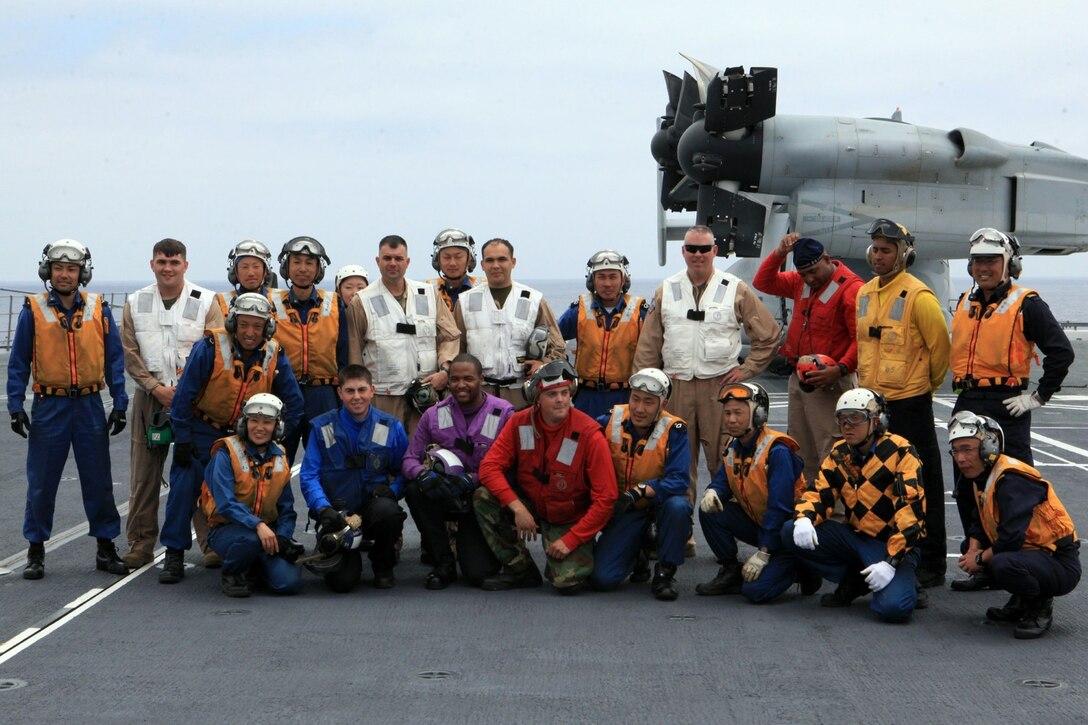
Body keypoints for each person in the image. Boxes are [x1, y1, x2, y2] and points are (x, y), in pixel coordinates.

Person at [633, 224, 781, 553]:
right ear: (683, 251)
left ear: (716, 250)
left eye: (704, 249)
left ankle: (730, 537)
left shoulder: (735, 289)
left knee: (725, 464)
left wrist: (747, 369)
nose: (698, 255)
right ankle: (680, 536)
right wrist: (648, 389)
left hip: (720, 389)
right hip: (677, 386)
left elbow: (768, 335)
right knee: (676, 465)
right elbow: (649, 344)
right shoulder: (666, 289)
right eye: (692, 249)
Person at [948, 228, 1075, 591]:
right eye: (977, 261)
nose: (983, 268)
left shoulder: (1027, 304)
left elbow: (1061, 352)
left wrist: (1037, 397)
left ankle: (1024, 561)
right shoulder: (964, 301)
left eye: (991, 260)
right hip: (968, 401)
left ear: (1008, 264)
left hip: (1007, 405)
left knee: (1015, 489)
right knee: (967, 486)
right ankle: (983, 564)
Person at [159, 292, 304, 584]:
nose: (250, 332)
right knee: (184, 486)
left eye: (257, 326)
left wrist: (280, 440)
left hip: (247, 436)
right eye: (244, 324)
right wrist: (184, 439)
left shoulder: (275, 354)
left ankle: (245, 545)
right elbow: (183, 398)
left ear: (267, 328)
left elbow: (295, 402)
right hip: (204, 429)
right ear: (233, 322)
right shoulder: (210, 347)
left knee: (249, 490)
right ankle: (174, 554)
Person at [7, 239, 129, 580]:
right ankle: (36, 551)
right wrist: (15, 406)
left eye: (71, 269)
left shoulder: (98, 308)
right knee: (41, 482)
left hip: (90, 405)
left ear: (82, 273)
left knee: (98, 480)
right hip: (50, 406)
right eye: (58, 268)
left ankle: (106, 548)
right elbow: (18, 363)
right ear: (48, 270)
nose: (64, 274)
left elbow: (114, 359)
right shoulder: (33, 309)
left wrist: (120, 402)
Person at [856, 218, 950, 588]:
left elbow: (940, 348)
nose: (879, 256)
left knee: (922, 485)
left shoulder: (918, 296)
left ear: (903, 254)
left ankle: (931, 564)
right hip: (874, 406)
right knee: (875, 483)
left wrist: (926, 386)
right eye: (875, 249)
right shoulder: (864, 294)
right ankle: (884, 553)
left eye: (886, 250)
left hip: (910, 405)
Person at [781, 388, 926, 623]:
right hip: (856, 537)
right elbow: (818, 492)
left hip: (891, 543)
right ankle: (856, 579)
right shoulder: (840, 453)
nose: (847, 425)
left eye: (856, 418)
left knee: (893, 609)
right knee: (790, 530)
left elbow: (911, 516)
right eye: (842, 418)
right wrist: (804, 518)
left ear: (876, 421)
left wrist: (891, 562)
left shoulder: (901, 452)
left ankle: (902, 577)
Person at [474, 360, 618, 594]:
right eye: (552, 394)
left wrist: (570, 540)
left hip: (569, 514)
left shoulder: (589, 434)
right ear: (537, 399)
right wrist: (518, 508)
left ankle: (583, 549)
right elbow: (489, 467)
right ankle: (520, 569)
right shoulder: (519, 422)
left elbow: (607, 498)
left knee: (566, 583)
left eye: (564, 393)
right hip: (530, 505)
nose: (561, 400)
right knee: (483, 497)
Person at [120, 238, 217, 569]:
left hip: (194, 403)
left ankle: (209, 543)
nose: (168, 268)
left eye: (174, 262)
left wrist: (187, 392)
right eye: (162, 262)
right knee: (144, 477)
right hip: (151, 400)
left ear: (185, 266)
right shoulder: (136, 302)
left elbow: (215, 349)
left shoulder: (206, 301)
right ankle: (140, 543)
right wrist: (154, 387)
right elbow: (130, 353)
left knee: (198, 474)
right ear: (152, 264)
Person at [947, 411, 1080, 638]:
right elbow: (980, 517)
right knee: (972, 546)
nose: (960, 458)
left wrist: (978, 559)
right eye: (956, 450)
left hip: (1059, 561)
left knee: (1002, 562)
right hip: (1035, 554)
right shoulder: (984, 474)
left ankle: (1039, 605)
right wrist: (972, 549)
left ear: (988, 447)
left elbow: (1011, 539)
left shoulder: (1011, 479)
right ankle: (1020, 599)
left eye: (967, 449)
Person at [752, 233, 863, 484]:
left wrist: (841, 369)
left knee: (832, 448)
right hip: (800, 380)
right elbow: (763, 281)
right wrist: (780, 253)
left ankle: (835, 515)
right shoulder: (800, 283)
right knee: (800, 449)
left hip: (831, 383)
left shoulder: (851, 288)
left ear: (826, 259)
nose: (810, 279)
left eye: (814, 271)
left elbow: (861, 339)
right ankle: (809, 508)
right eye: (804, 274)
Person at [696, 382, 819, 603]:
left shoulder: (777, 451)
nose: (731, 420)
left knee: (754, 592)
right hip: (762, 524)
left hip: (785, 532)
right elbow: (723, 481)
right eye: (727, 413)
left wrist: (764, 552)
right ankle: (730, 570)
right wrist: (712, 491)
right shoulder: (734, 445)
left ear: (759, 414)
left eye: (738, 413)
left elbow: (779, 510)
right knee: (710, 510)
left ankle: (802, 568)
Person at [402, 353, 514, 589]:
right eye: (454, 379)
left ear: (481, 379)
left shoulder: (503, 414)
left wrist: (472, 479)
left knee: (478, 573)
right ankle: (443, 561)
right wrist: (424, 475)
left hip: (479, 497)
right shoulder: (433, 414)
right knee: (414, 490)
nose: (461, 385)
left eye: (468, 379)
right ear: (448, 381)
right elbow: (410, 459)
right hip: (443, 491)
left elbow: (511, 465)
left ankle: (480, 544)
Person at [299, 364, 410, 592]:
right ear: (339, 393)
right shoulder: (322, 428)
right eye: (350, 391)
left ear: (372, 390)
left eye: (362, 390)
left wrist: (394, 491)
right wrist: (323, 509)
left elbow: (404, 470)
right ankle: (345, 555)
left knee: (388, 512)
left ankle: (383, 565)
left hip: (373, 510)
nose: (356, 397)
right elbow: (309, 475)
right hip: (337, 515)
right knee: (342, 583)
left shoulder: (391, 427)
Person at [590, 368, 692, 600]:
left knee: (678, 507)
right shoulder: (608, 420)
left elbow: (679, 480)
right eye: (635, 398)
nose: (639, 408)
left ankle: (665, 572)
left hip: (655, 505)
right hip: (623, 509)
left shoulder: (676, 430)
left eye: (648, 402)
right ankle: (638, 552)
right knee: (601, 579)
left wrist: (640, 491)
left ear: (663, 403)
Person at [347, 235, 460, 435]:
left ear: (407, 262)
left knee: (428, 448)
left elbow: (450, 336)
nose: (393, 263)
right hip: (383, 397)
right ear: (377, 261)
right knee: (382, 451)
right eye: (387, 258)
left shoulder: (428, 294)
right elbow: (355, 351)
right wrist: (359, 394)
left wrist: (446, 369)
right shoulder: (362, 301)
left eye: (398, 258)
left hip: (427, 395)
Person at [198, 393, 303, 597]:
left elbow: (287, 509)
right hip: (229, 530)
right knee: (249, 540)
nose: (260, 428)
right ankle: (232, 573)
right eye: (254, 420)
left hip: (266, 533)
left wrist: (281, 537)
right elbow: (225, 503)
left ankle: (255, 564)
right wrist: (258, 525)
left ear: (277, 427)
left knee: (288, 584)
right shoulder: (226, 454)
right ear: (243, 423)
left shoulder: (280, 456)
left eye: (267, 422)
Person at [454, 238, 566, 409]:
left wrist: (544, 363)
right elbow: (455, 346)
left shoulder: (533, 300)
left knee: (522, 435)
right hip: (479, 395)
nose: (496, 265)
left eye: (502, 259)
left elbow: (557, 344)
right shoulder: (466, 301)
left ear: (513, 262)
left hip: (521, 394)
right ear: (482, 264)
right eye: (490, 260)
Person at [270, 236, 348, 462]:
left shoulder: (334, 304)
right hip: (283, 394)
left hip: (324, 397)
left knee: (331, 460)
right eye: (296, 262)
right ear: (286, 267)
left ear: (318, 270)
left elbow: (344, 354)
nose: (302, 269)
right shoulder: (271, 303)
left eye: (309, 263)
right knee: (277, 460)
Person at [557, 250, 649, 419]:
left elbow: (656, 348)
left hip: (626, 397)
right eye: (601, 277)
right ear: (592, 281)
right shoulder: (579, 310)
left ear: (623, 279)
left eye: (613, 276)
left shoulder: (640, 312)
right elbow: (553, 337)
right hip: (586, 398)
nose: (607, 283)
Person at [208, 239, 275, 328]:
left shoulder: (283, 300)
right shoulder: (219, 302)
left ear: (266, 271)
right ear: (234, 272)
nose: (251, 273)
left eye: (256, 266)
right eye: (244, 267)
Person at [428, 228, 482, 310]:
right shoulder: (429, 289)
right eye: (446, 257)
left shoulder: (484, 287)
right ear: (437, 260)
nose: (452, 263)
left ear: (470, 259)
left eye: (458, 257)